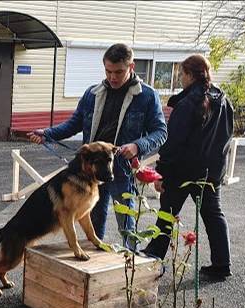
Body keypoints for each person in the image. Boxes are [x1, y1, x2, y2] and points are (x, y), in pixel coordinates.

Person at [29, 43, 167, 249]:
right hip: (90, 173)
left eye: (118, 72)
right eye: (108, 71)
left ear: (132, 66)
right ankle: (92, 272)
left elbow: (161, 132)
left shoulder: (147, 96)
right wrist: (47, 133)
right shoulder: (92, 93)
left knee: (127, 226)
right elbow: (73, 124)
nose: (113, 77)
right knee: (93, 225)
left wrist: (137, 146)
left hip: (121, 170)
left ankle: (132, 271)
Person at [143, 54, 234, 280]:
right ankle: (222, 265)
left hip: (181, 172)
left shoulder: (187, 104)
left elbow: (173, 143)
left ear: (189, 75)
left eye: (181, 74)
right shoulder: (223, 100)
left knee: (166, 214)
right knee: (214, 216)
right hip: (209, 172)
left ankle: (154, 257)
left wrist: (161, 173)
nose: (180, 79)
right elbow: (227, 136)